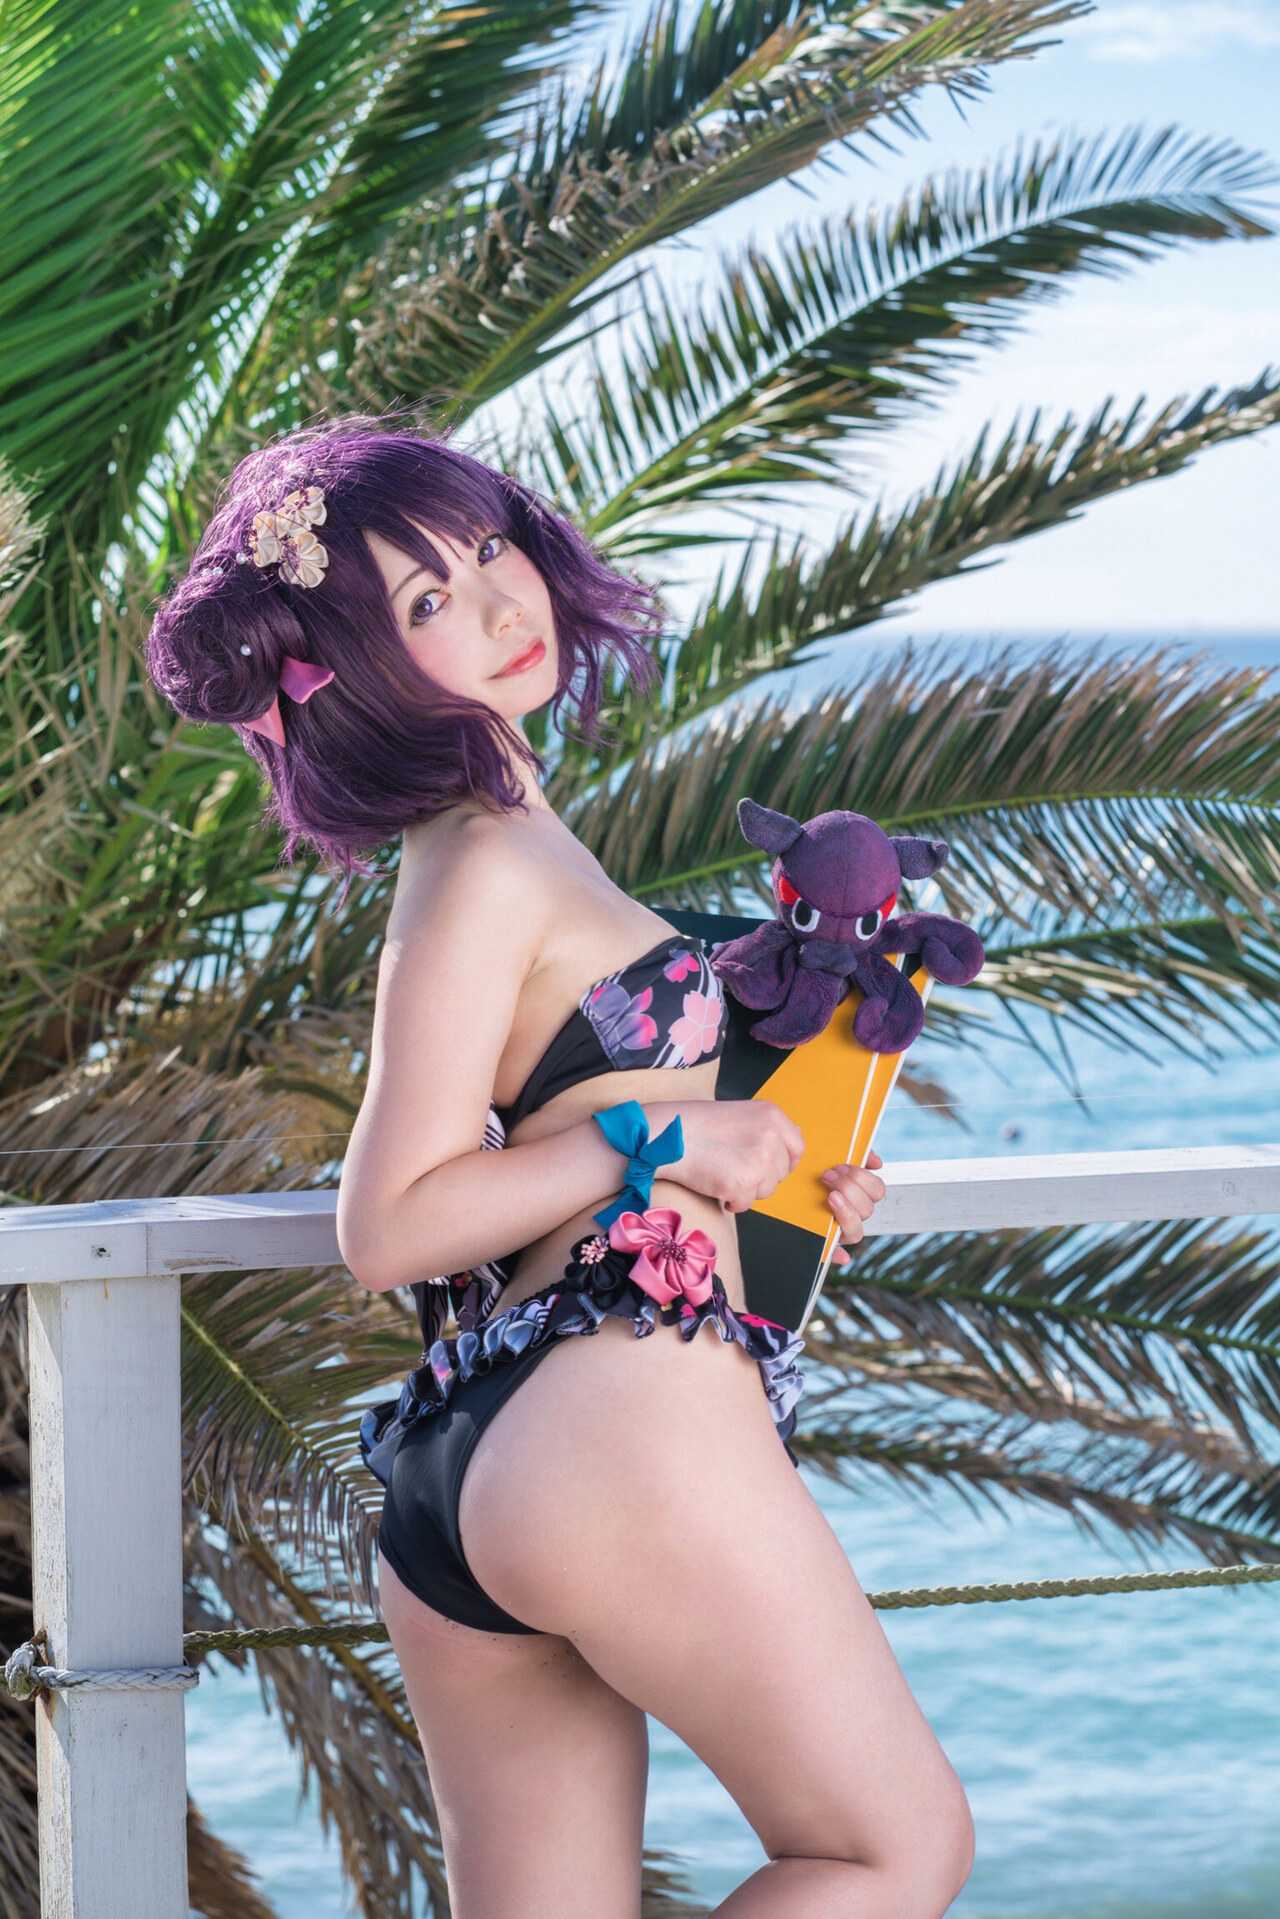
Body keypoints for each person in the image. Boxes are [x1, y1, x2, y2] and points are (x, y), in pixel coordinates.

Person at [145, 414, 974, 1918]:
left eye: (485, 550)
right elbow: (391, 1223)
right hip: (609, 1426)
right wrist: (673, 1139)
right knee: (889, 1852)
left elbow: (570, 1137)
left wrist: (774, 1189)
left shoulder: (509, 844)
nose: (498, 602)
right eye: (425, 601)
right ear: (354, 673)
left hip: (483, 1462)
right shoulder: (479, 861)